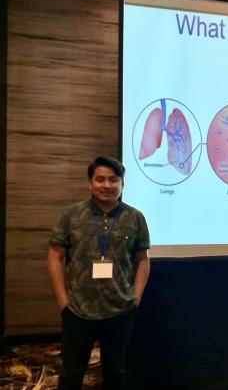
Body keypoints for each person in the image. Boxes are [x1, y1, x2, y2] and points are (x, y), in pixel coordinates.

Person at [48, 156, 150, 390]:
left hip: (120, 309)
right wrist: (63, 301)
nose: (106, 185)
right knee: (72, 373)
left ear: (122, 184)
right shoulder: (71, 215)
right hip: (77, 309)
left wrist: (135, 297)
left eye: (113, 179)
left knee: (116, 371)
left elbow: (143, 260)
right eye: (100, 179)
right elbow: (55, 256)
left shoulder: (135, 218)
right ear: (90, 183)